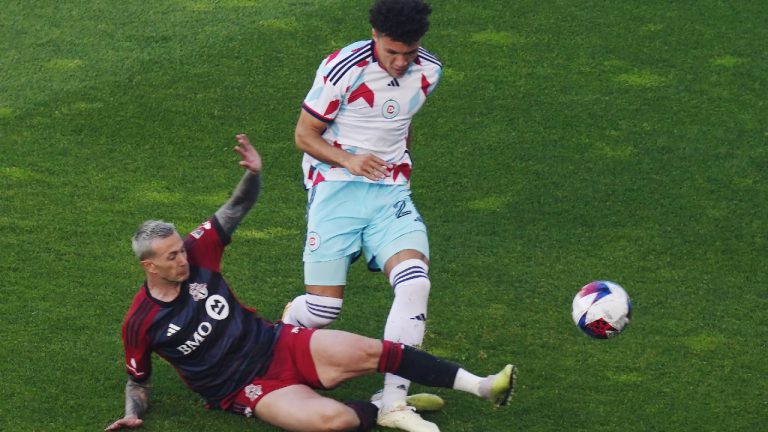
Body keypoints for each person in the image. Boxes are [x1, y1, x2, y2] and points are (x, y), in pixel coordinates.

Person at [105, 134, 517, 432]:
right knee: (330, 420)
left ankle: (482, 386)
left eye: (181, 249)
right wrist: (133, 412)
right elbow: (137, 380)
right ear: (149, 267)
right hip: (246, 387)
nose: (183, 258)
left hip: (277, 342)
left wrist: (254, 174)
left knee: (374, 350)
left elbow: (236, 209)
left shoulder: (198, 253)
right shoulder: (141, 323)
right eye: (172, 256)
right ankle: (387, 409)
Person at [282, 1, 445, 430]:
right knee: (321, 310)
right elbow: (304, 135)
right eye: (392, 51)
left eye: (408, 53)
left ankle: (393, 404)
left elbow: (399, 123)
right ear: (374, 32)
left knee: (415, 283)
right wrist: (348, 161)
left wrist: (398, 166)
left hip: (389, 193)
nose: (399, 62)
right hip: (335, 191)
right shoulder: (342, 67)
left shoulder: (429, 71)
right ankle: (282, 336)